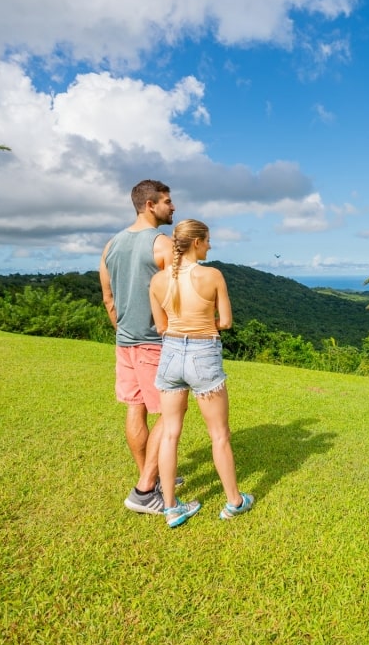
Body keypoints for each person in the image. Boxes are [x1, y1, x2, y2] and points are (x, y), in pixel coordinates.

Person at [149, 219, 254, 528]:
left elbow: (161, 327)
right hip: (202, 353)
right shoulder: (212, 275)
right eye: (207, 240)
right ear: (196, 242)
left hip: (169, 355)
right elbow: (226, 322)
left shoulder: (156, 281)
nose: (210, 245)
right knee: (219, 435)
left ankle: (171, 508)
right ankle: (234, 501)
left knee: (170, 434)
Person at [99, 179, 182, 515]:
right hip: (155, 343)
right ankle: (146, 488)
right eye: (167, 201)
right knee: (172, 412)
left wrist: (123, 328)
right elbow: (180, 298)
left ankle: (153, 477)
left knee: (136, 408)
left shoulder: (111, 245)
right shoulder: (163, 245)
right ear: (150, 205)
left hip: (125, 342)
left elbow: (108, 298)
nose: (173, 207)